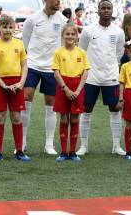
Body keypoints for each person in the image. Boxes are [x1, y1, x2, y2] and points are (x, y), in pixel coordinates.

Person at [76, 0, 126, 156]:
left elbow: (118, 54)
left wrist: (111, 68)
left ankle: (116, 146)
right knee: (86, 109)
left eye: (109, 8)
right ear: (97, 10)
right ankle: (83, 146)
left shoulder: (118, 32)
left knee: (115, 109)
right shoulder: (88, 30)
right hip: (91, 76)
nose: (106, 10)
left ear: (112, 11)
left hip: (111, 76)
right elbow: (81, 51)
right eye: (103, 8)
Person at [21, 0, 67, 155]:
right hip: (32, 65)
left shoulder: (62, 20)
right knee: (26, 99)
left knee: (51, 103)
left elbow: (63, 45)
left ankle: (49, 144)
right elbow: (24, 42)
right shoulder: (33, 19)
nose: (58, 1)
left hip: (51, 67)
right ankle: (23, 141)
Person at [0, 15, 30, 162]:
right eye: (4, 27)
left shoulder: (19, 44)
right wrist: (3, 85)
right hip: (1, 84)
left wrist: (21, 83)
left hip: (17, 83)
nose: (7, 30)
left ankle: (19, 151)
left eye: (10, 27)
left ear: (14, 28)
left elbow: (24, 65)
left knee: (16, 117)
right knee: (0, 117)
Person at [53, 23, 89, 162]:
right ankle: (63, 152)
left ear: (76, 36)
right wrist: (65, 89)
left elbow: (85, 71)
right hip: (63, 86)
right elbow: (56, 72)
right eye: (67, 34)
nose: (70, 36)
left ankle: (72, 152)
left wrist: (78, 89)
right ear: (62, 36)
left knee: (74, 118)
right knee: (63, 118)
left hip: (77, 86)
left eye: (73, 34)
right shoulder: (58, 52)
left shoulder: (82, 53)